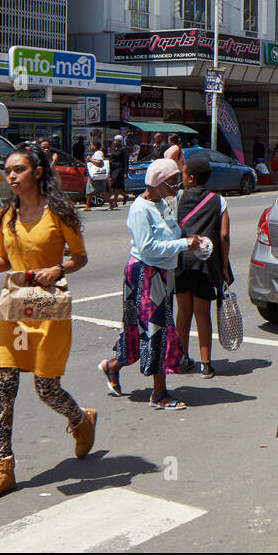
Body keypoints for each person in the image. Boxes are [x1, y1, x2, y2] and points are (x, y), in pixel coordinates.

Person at [0, 144, 96, 502]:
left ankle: (80, 420)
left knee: (46, 389)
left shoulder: (60, 212)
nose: (10, 176)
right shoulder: (5, 215)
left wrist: (58, 268)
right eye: (7, 170)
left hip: (48, 308)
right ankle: (2, 465)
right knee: (2, 387)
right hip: (13, 311)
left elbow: (80, 258)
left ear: (37, 172)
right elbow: (4, 261)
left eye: (18, 170)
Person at [98, 158, 204, 409]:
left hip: (163, 272)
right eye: (172, 181)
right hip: (146, 272)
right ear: (157, 182)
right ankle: (159, 394)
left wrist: (190, 241)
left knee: (143, 328)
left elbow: (170, 235)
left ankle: (112, 366)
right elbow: (147, 247)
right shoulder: (140, 209)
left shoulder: (162, 204)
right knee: (158, 330)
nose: (176, 186)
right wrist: (182, 245)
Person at [174, 152, 232, 378]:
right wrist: (224, 266)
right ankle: (206, 363)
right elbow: (224, 235)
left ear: (191, 179)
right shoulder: (219, 201)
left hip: (181, 260)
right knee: (202, 312)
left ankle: (181, 358)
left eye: (184, 172)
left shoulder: (178, 197)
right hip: (205, 265)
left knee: (183, 310)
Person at [107, 136, 129, 210]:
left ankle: (116, 201)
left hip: (119, 169)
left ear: (120, 141)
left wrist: (126, 172)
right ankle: (124, 196)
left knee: (115, 184)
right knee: (115, 186)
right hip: (113, 169)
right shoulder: (113, 149)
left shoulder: (123, 150)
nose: (115, 142)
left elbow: (126, 161)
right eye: (114, 141)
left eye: (117, 141)